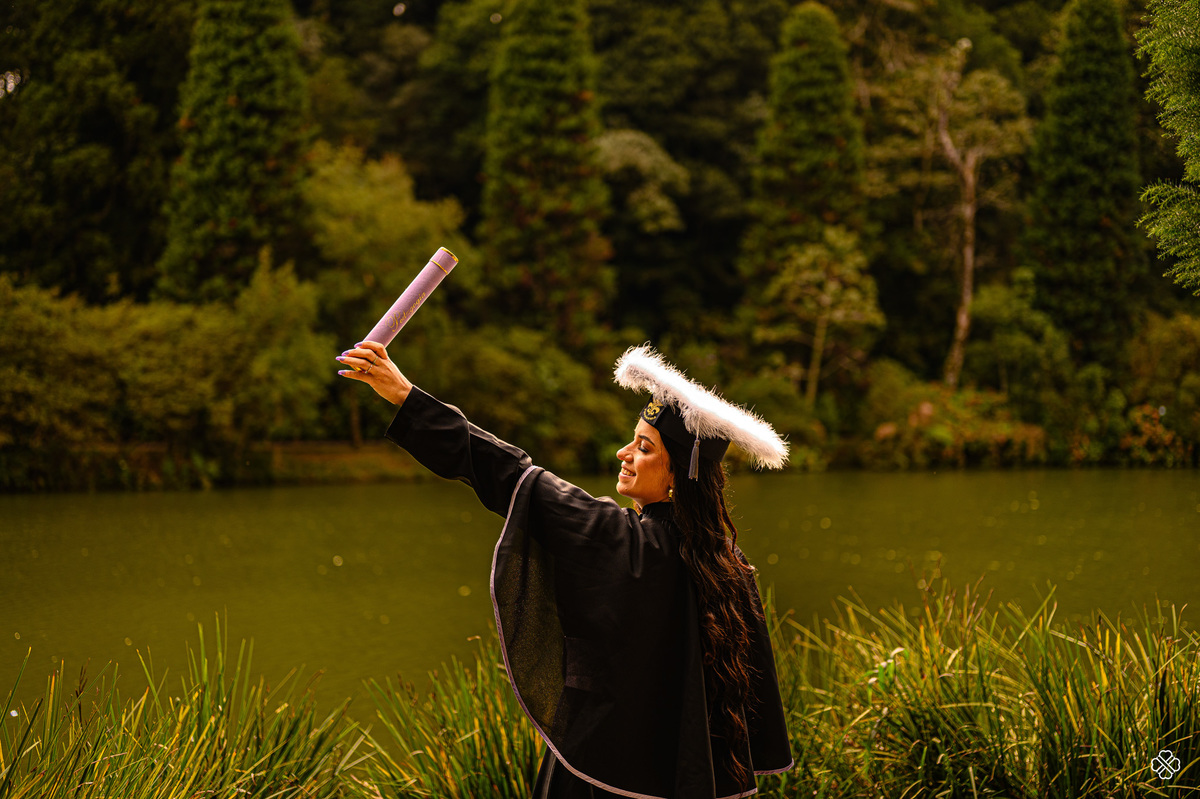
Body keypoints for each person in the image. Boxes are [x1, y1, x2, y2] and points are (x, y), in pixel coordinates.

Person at [337, 341, 794, 799]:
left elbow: (509, 473)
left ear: (678, 475)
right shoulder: (731, 570)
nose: (623, 453)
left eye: (644, 447)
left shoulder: (620, 539)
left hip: (600, 777)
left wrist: (404, 396)